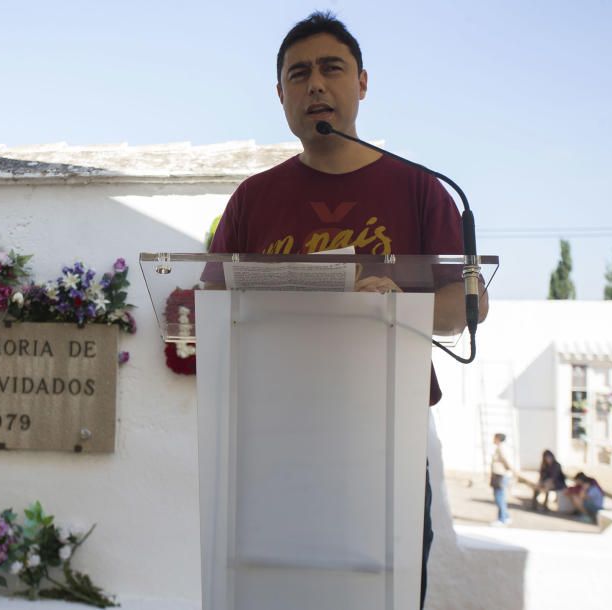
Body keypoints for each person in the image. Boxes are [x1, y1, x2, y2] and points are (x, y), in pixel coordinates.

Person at [207, 11, 489, 609]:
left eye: (332, 69)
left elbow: (464, 305)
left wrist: (397, 304)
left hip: (384, 439)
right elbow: (209, 302)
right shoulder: (253, 200)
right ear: (280, 94)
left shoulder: (420, 188)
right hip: (272, 439)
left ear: (362, 83)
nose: (315, 85)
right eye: (298, 74)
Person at [489, 433, 513, 526]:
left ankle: (502, 518)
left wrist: (509, 469)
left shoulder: (501, 448)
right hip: (500, 474)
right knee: (500, 496)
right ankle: (506, 516)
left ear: (498, 438)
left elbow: (505, 460)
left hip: (500, 474)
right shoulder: (501, 447)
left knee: (499, 496)